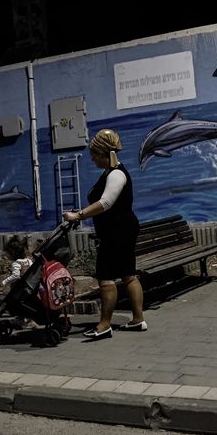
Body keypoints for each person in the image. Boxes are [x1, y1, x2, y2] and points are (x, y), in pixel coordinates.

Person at [63, 129, 143, 340]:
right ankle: (138, 319)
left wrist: (79, 215)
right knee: (128, 274)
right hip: (122, 228)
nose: (92, 159)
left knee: (105, 277)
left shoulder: (116, 174)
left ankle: (104, 325)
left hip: (117, 230)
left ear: (101, 154)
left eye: (93, 155)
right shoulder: (111, 172)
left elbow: (105, 203)